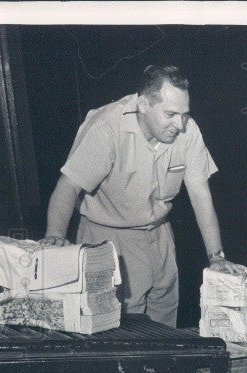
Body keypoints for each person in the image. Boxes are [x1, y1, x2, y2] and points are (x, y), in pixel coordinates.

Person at [39, 64, 229, 326]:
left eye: (184, 114)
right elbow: (68, 185)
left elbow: (199, 193)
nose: (180, 124)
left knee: (164, 328)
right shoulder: (107, 126)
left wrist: (216, 258)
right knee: (120, 332)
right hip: (108, 240)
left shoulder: (188, 129)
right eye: (171, 114)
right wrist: (56, 237)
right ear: (143, 104)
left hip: (159, 236)